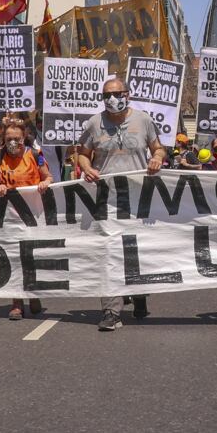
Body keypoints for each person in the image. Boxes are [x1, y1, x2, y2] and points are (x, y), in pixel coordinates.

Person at [76, 77, 167, 331]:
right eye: (106, 95)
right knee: (109, 251)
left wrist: (157, 159)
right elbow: (82, 154)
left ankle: (139, 295)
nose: (111, 99)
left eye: (116, 93)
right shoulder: (94, 123)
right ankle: (111, 311)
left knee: (136, 250)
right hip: (107, 198)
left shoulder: (143, 119)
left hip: (138, 197)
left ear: (128, 94)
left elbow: (159, 148)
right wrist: (87, 168)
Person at [0, 120, 52, 320]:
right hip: (9, 216)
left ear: (24, 138)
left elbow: (48, 177)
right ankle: (17, 303)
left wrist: (44, 183)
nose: (13, 142)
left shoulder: (35, 155)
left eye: (17, 139)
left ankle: (32, 295)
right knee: (13, 258)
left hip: (32, 215)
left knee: (30, 257)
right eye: (9, 139)